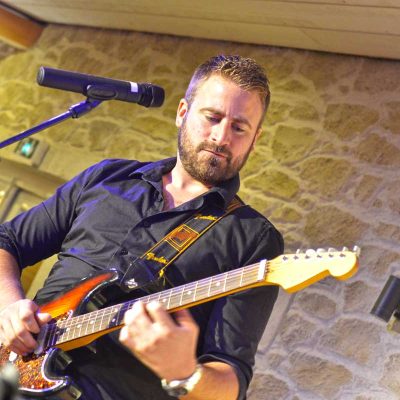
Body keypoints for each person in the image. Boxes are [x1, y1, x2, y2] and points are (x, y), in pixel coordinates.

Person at [0, 55, 284, 400]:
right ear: (183, 112)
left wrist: (185, 372)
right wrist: (10, 306)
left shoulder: (254, 239)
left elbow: (231, 378)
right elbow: (8, 241)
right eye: (212, 117)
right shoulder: (107, 177)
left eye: (240, 127)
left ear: (255, 139)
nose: (221, 137)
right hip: (13, 377)